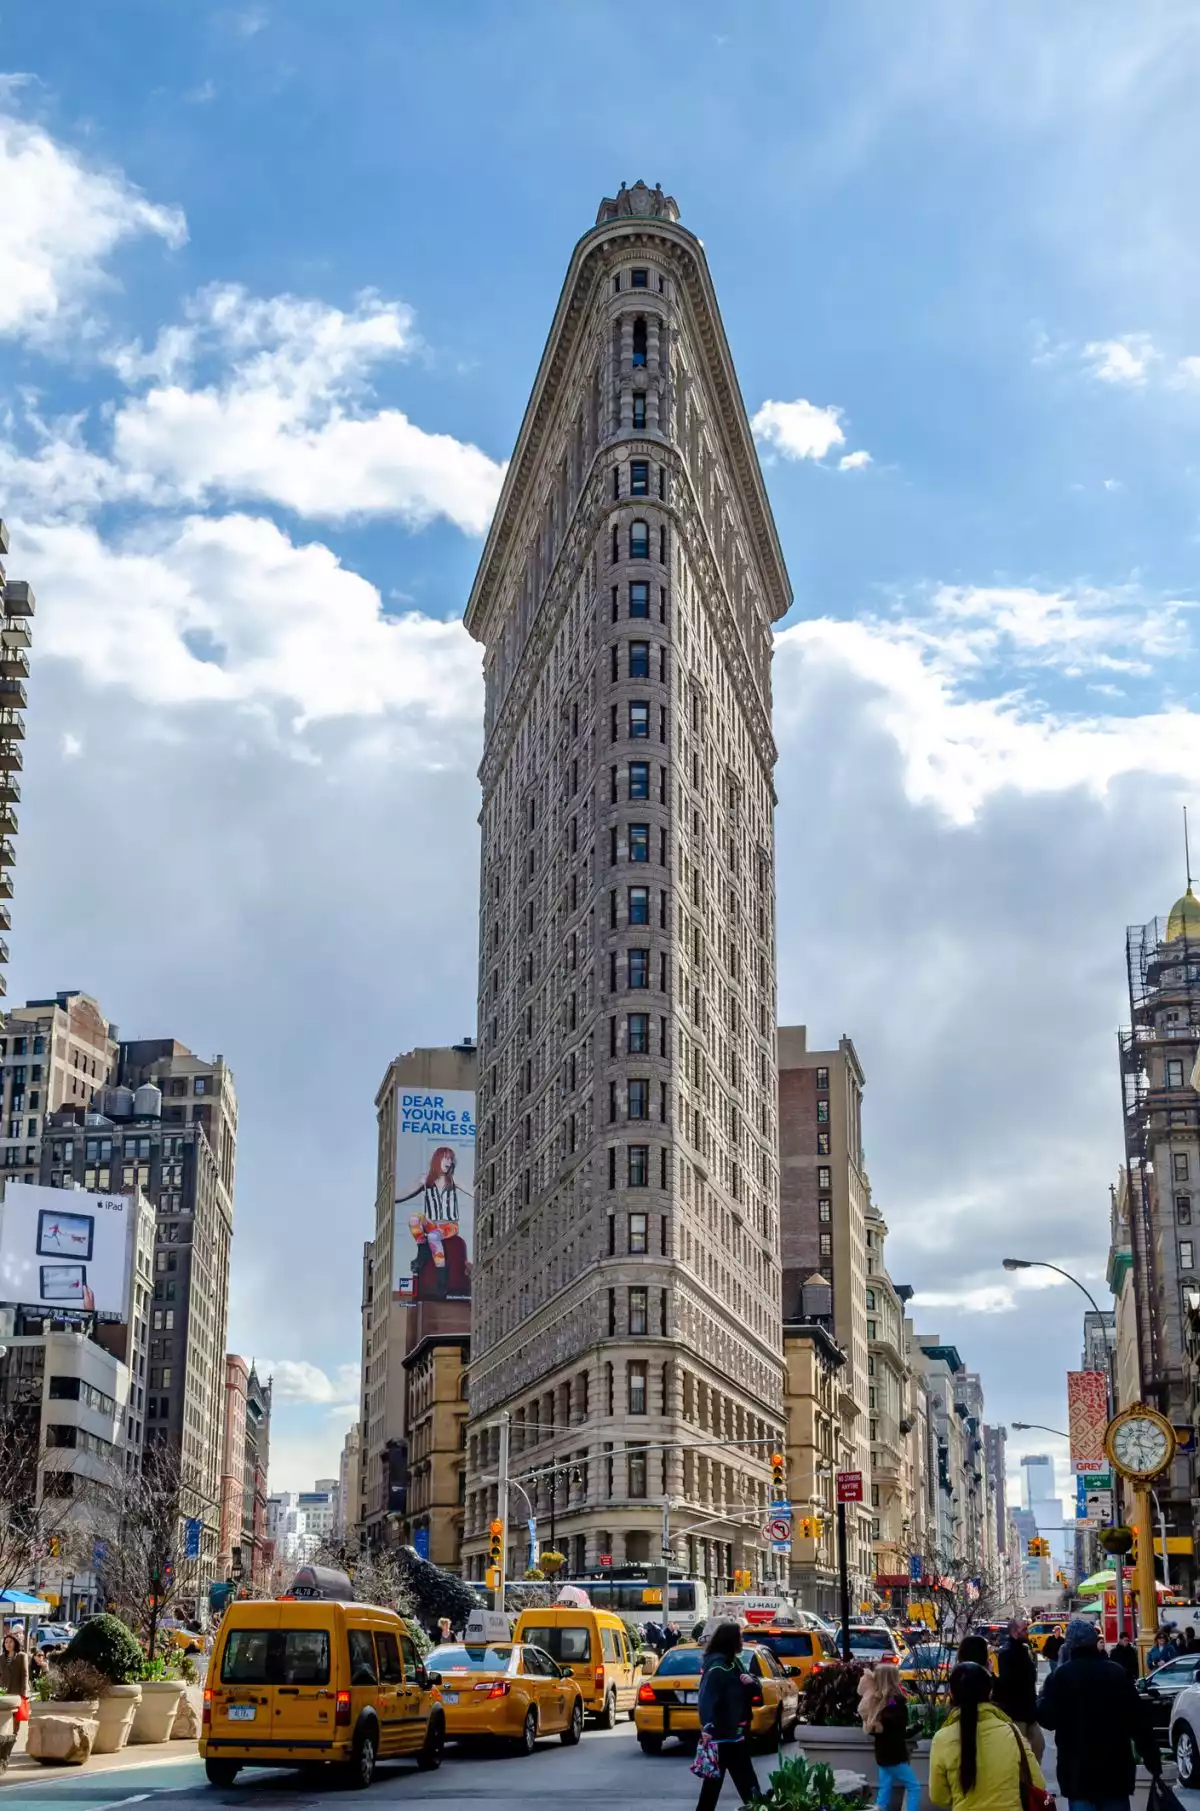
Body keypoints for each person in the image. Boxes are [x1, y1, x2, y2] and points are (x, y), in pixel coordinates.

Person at [1036, 1616, 1160, 1811]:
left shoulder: (1060, 1677)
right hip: (1114, 1773)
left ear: (1070, 1645)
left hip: (1078, 1774)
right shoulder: (1116, 1673)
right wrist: (1152, 1758)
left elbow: (1047, 1718)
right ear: (1094, 1643)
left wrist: (1041, 1698)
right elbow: (1138, 1721)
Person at [930, 1663, 1046, 1811]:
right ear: (990, 1692)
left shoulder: (942, 1738)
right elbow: (1038, 1783)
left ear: (951, 1694)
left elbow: (938, 1796)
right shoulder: (1011, 1732)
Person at [694, 1621, 761, 1811]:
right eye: (739, 1637)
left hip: (733, 1733)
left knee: (730, 1783)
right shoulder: (718, 1667)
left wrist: (752, 1682)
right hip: (722, 1735)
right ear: (730, 1640)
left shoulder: (733, 1663)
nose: (742, 1640)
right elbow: (706, 1698)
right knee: (743, 1782)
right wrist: (706, 1726)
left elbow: (752, 1687)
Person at [859, 1664, 919, 1811]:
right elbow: (898, 1730)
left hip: (882, 1753)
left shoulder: (881, 1703)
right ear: (893, 1678)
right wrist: (917, 1727)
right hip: (894, 1755)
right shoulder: (894, 1702)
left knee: (884, 1791)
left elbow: (885, 1726)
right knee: (914, 1786)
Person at [993, 1618, 1044, 1763]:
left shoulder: (1023, 1650)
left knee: (1038, 1747)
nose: (1027, 1632)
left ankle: (1033, 1782)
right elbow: (1007, 1683)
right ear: (1015, 1632)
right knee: (1021, 1756)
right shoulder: (1008, 1653)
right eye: (1024, 1629)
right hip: (1016, 1714)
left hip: (1029, 1712)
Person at [0, 1632, 29, 1724]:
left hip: (17, 1689)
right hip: (4, 1689)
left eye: (10, 1642)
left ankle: (15, 1734)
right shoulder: (1, 1657)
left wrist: (24, 1691)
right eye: (6, 1642)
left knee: (17, 1715)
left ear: (15, 1643)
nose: (8, 1644)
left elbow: (25, 1674)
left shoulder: (22, 1656)